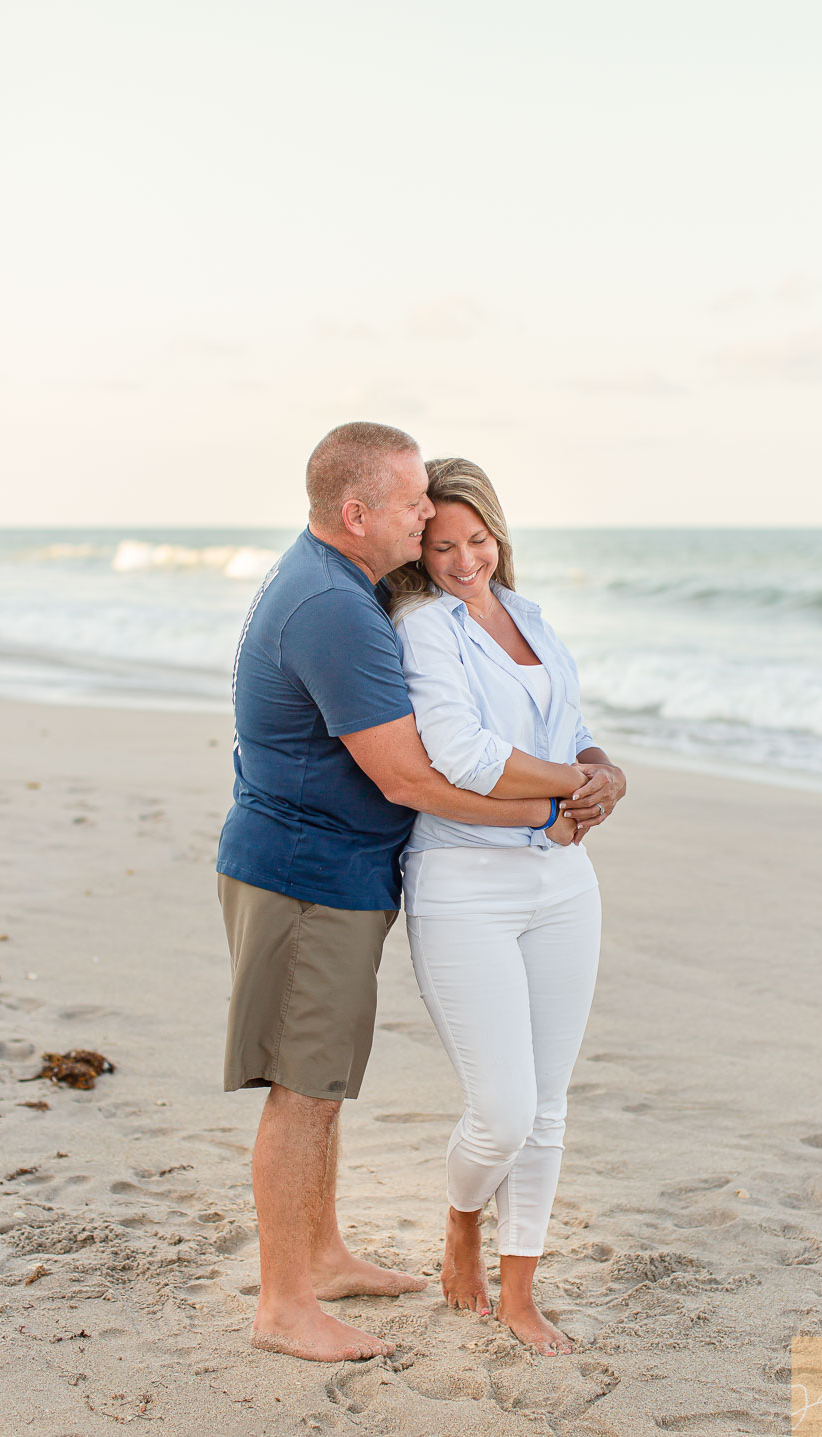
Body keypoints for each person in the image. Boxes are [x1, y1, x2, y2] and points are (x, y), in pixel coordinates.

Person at [216, 422, 595, 1364]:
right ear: (359, 514)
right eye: (416, 506)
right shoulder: (340, 611)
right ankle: (285, 1304)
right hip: (305, 873)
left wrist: (576, 783)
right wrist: (553, 813)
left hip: (336, 870)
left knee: (324, 1079)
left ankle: (325, 1255)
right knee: (302, 1088)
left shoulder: (338, 583)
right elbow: (415, 780)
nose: (432, 518)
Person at [390, 457, 627, 1355]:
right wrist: (576, 784)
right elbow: (461, 752)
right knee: (504, 1111)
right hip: (464, 883)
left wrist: (607, 771)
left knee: (552, 1103)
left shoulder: (529, 615)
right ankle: (461, 1222)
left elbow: (570, 727)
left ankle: (521, 1291)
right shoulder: (422, 626)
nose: (463, 561)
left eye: (477, 540)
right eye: (441, 545)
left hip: (564, 882)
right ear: (420, 549)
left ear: (499, 532)